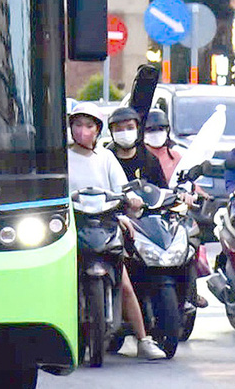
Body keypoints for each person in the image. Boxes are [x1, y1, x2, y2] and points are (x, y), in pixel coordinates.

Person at [66, 103, 166, 360]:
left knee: (123, 282)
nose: (83, 131)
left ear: (98, 130)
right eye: (78, 124)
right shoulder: (63, 157)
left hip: (105, 222)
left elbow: (123, 189)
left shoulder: (106, 158)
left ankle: (143, 339)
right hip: (72, 224)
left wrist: (130, 202)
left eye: (89, 125)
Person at [106, 106, 168, 189]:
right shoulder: (105, 161)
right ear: (111, 132)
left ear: (137, 129)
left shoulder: (150, 160)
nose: (125, 133)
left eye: (130, 128)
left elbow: (164, 191)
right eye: (119, 129)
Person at [144, 109, 182, 183]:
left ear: (167, 130)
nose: (156, 134)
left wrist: (203, 194)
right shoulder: (139, 157)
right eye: (151, 130)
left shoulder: (175, 156)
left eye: (160, 129)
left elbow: (187, 182)